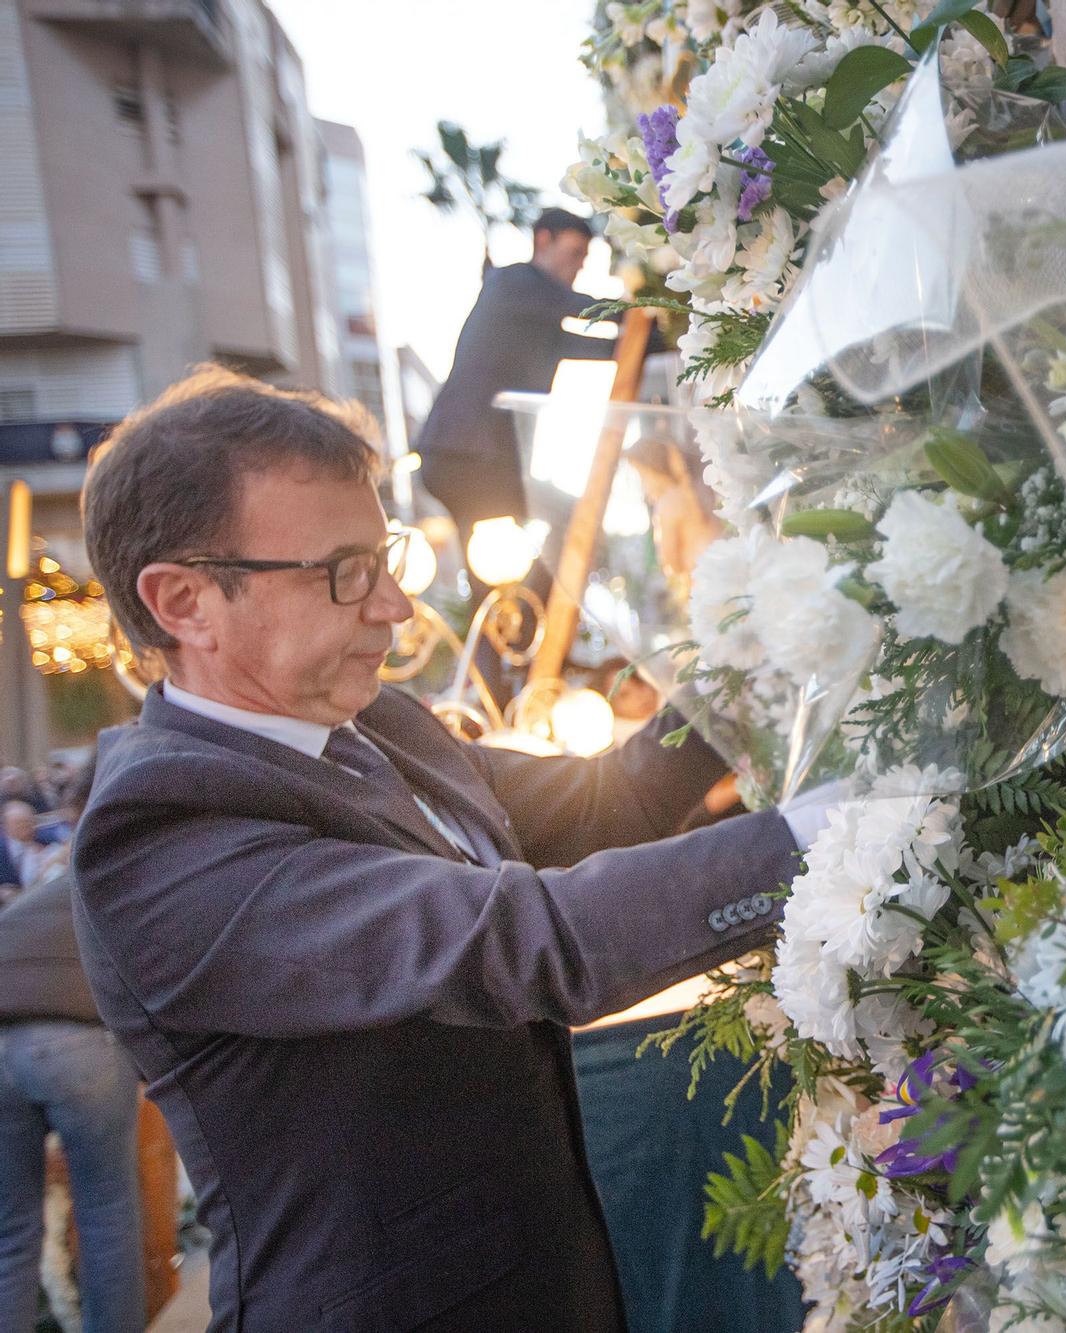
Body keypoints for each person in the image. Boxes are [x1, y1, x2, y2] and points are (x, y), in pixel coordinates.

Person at [72, 366, 835, 1331]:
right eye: (344, 572)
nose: (394, 606)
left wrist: (762, 658)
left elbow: (610, 798)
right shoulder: (160, 839)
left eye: (384, 556)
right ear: (183, 602)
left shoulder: (378, 721)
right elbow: (523, 940)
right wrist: (826, 836)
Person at [417, 207, 647, 596]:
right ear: (544, 240)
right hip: (464, 456)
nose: (578, 266)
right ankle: (531, 622)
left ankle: (517, 631)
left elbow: (605, 347)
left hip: (477, 459)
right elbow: (581, 307)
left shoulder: (535, 319)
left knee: (489, 581)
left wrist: (654, 336)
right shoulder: (513, 283)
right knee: (573, 519)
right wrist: (642, 310)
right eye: (575, 253)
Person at [0, 776, 148, 1333]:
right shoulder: (122, 880)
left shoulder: (45, 892)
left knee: (11, 1233)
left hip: (1, 1045)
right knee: (108, 1214)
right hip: (76, 1043)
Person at [0, 801, 56, 898]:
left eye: (28, 822)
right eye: (18, 823)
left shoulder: (47, 840)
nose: (25, 827)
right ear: (5, 826)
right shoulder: (2, 849)